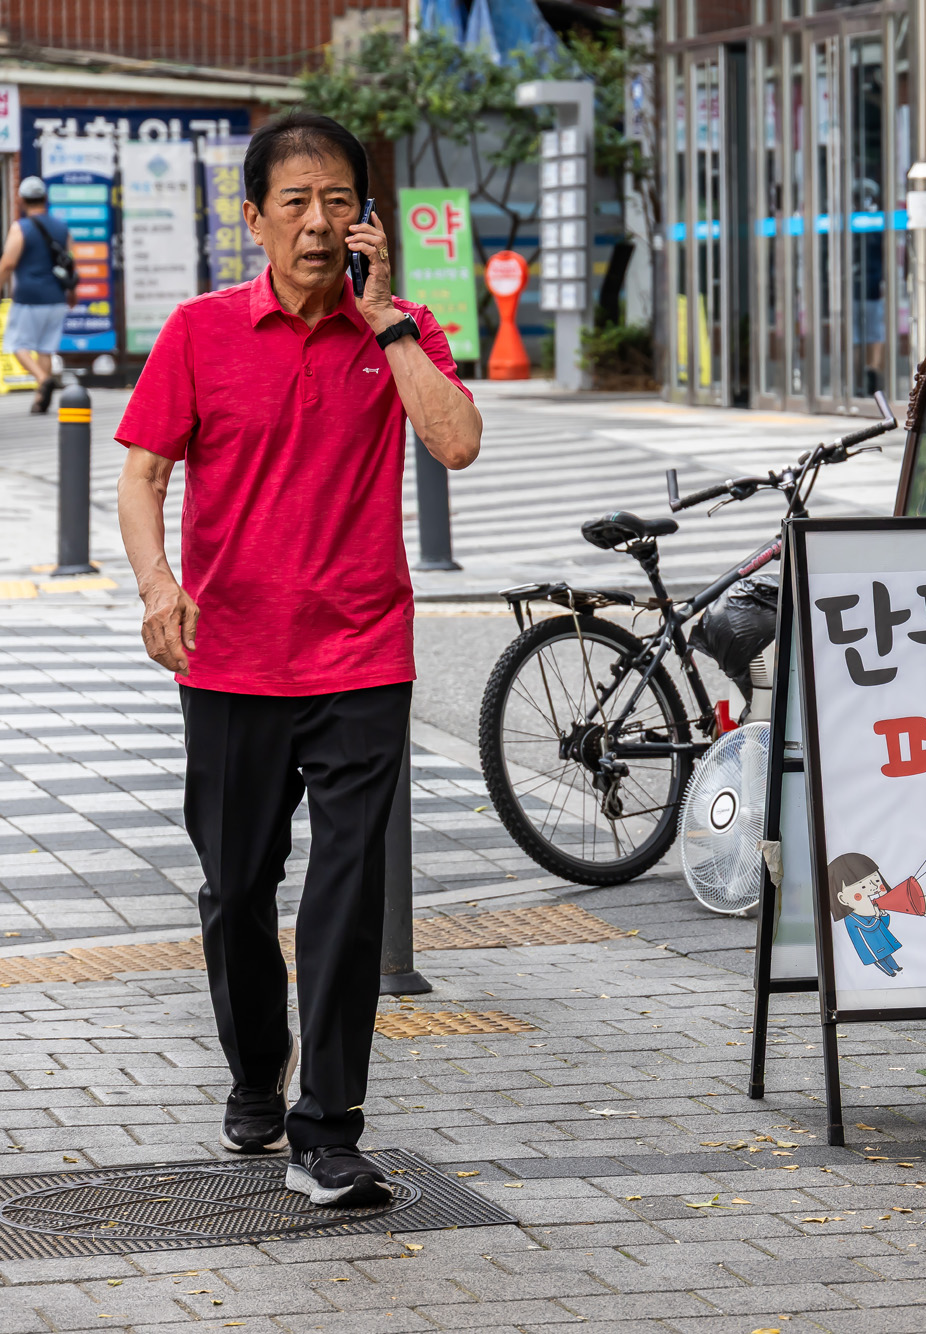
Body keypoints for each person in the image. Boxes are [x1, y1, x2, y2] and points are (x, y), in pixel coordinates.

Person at [114, 112, 482, 1208]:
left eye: (339, 203)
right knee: (237, 889)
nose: (319, 224)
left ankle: (329, 1126)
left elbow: (455, 442)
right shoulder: (198, 331)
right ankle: (252, 1074)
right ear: (256, 221)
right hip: (229, 658)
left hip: (363, 650)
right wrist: (157, 585)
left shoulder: (400, 331)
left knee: (348, 889)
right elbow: (139, 476)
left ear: (365, 217)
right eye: (297, 204)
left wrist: (391, 327)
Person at [0, 176, 74, 412]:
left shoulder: (21, 228)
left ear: (21, 200)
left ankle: (42, 380)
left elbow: (8, 264)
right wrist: (72, 291)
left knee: (16, 344)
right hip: (56, 298)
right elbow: (70, 262)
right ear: (45, 198)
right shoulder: (62, 228)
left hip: (29, 298)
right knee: (45, 347)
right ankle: (40, 399)